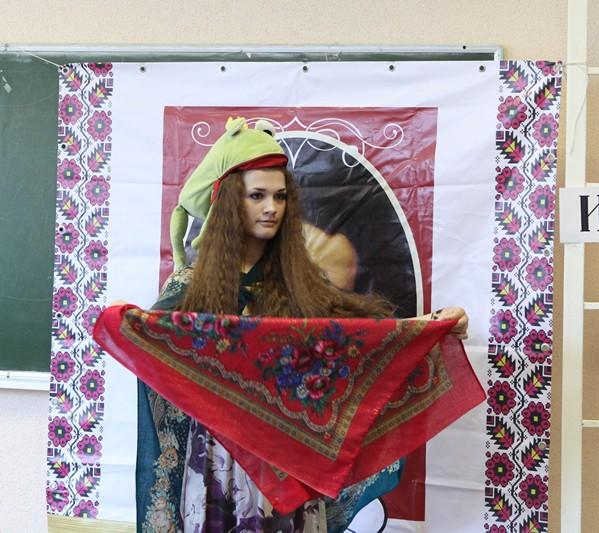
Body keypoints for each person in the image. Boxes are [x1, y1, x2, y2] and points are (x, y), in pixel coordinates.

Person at [132, 117, 468, 532]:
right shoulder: (190, 286)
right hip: (217, 466)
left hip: (291, 461)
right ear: (229, 203)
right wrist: (128, 322)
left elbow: (362, 339)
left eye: (280, 196)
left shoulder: (302, 283)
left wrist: (429, 326)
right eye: (257, 195)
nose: (271, 208)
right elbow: (154, 350)